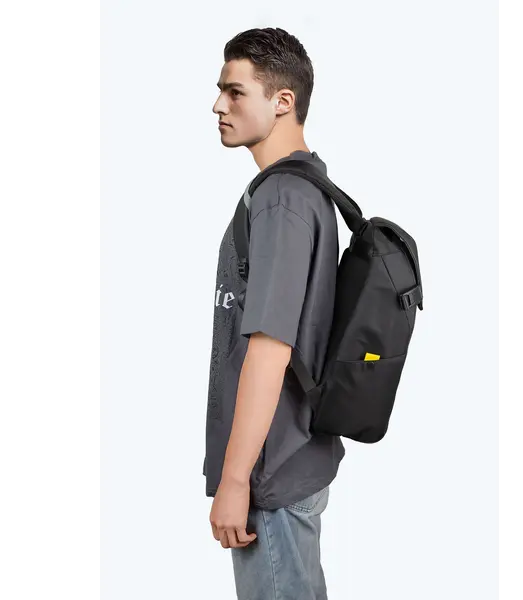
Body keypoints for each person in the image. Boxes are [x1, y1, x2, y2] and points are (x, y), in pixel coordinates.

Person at [204, 27, 344, 600]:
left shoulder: (282, 199)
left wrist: (236, 479)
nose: (218, 105)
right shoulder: (302, 187)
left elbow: (269, 346)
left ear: (282, 100)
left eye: (234, 91)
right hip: (291, 456)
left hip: (272, 472)